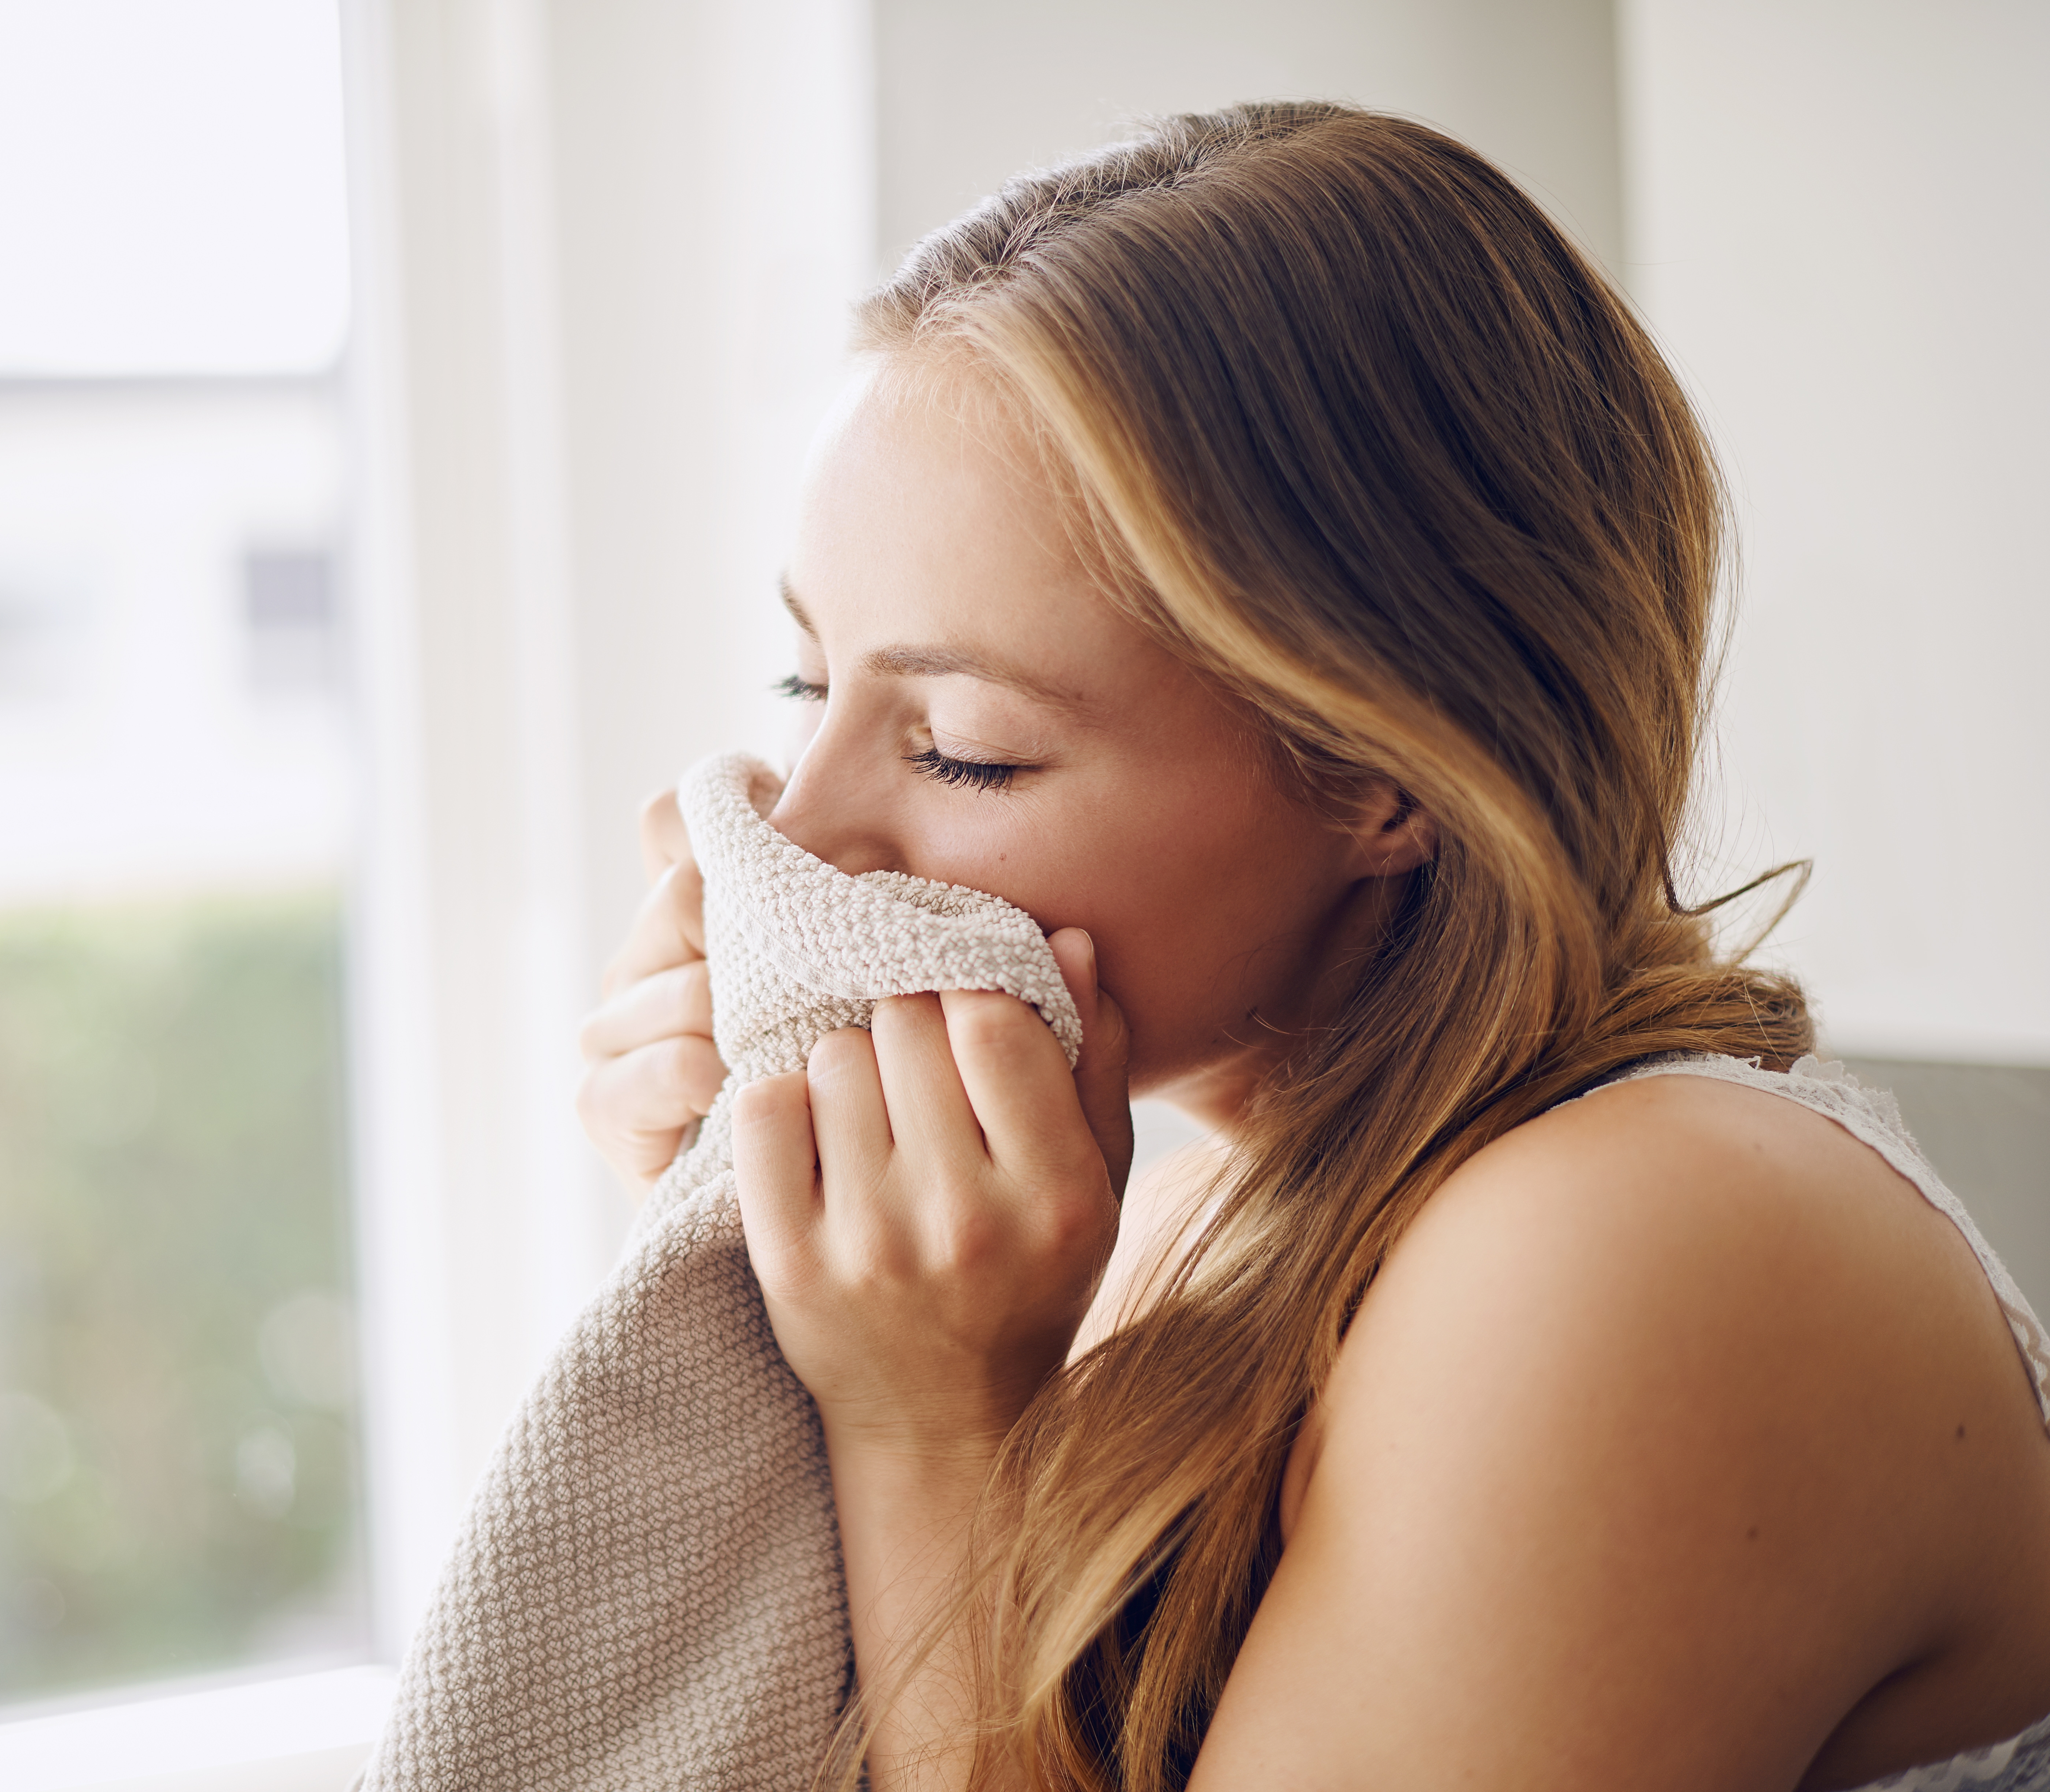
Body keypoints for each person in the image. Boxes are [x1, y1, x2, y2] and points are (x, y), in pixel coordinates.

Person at [572, 103, 2050, 1791]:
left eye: (961, 744)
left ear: (1379, 770)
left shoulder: (1645, 1238)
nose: (801, 828)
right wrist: (747, 1247)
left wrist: (925, 1421)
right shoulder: (1194, 1212)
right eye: (807, 689)